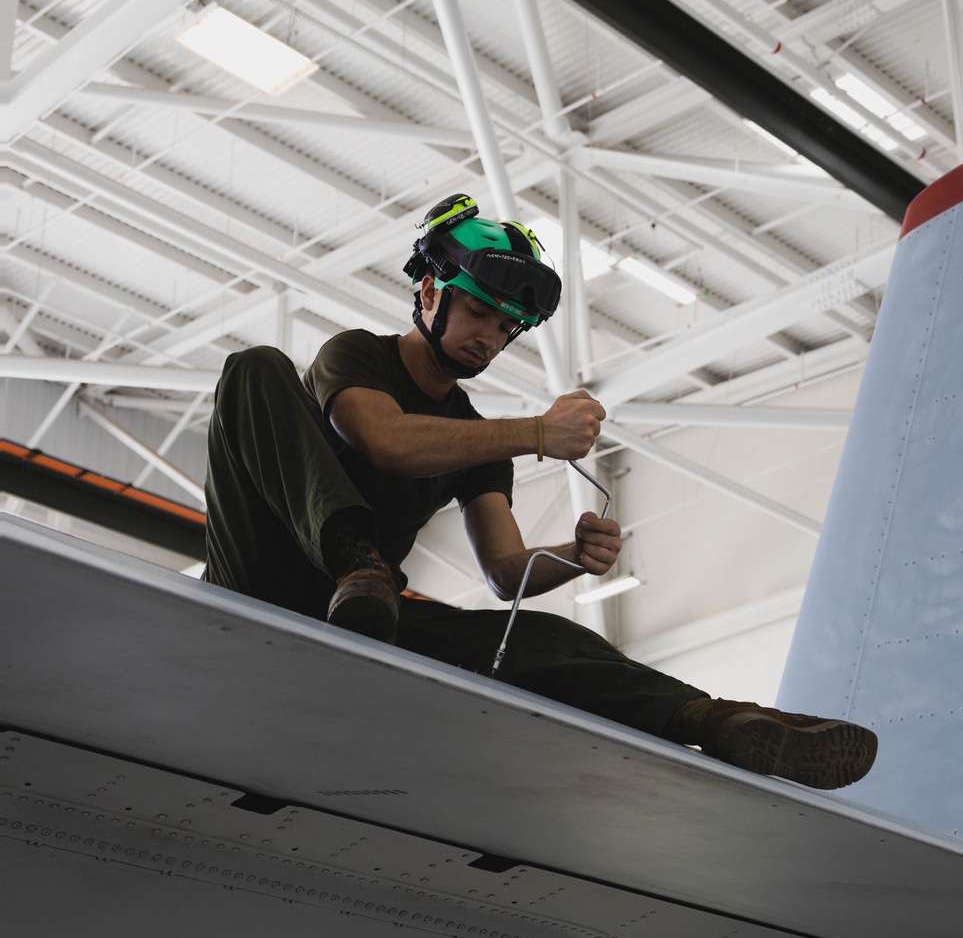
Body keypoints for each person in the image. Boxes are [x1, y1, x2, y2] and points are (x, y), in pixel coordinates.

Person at [204, 193, 877, 790]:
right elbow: (386, 441)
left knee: (547, 636)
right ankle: (357, 559)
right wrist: (534, 431)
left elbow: (503, 572)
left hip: (367, 614)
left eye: (507, 327)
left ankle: (724, 720)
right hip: (267, 571)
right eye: (479, 312)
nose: (491, 338)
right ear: (432, 291)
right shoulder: (356, 357)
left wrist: (570, 556)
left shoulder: (476, 435)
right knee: (254, 369)